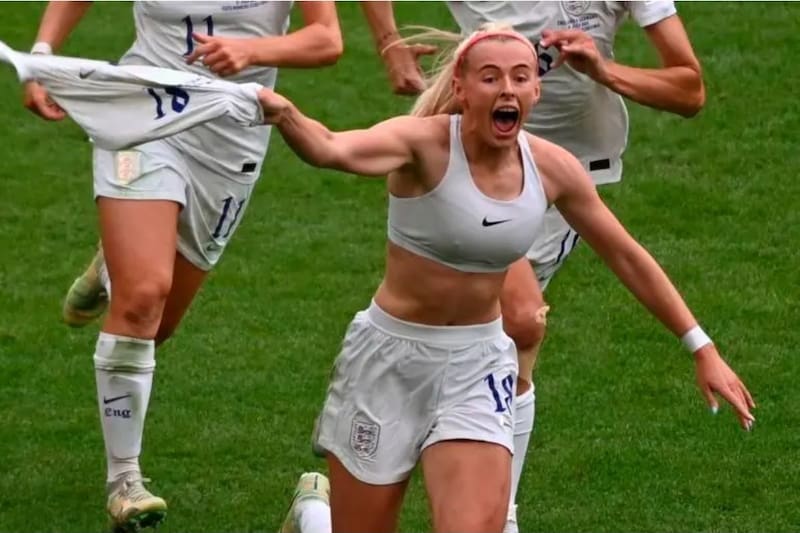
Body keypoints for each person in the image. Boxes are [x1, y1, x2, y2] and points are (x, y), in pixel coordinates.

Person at [258, 23, 754, 533]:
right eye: (491, 78)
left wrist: (701, 347)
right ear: (461, 89)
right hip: (390, 360)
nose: (507, 90)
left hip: (478, 363)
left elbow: (626, 255)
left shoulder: (552, 167)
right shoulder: (422, 146)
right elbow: (331, 148)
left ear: (536, 90)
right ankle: (315, 515)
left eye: (520, 77)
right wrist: (286, 114)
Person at [360, 2, 707, 530]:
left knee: (508, 340)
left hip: (566, 179)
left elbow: (689, 90)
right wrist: (389, 42)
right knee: (519, 321)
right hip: (469, 159)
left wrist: (602, 69)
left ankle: (334, 512)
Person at [21, 2, 341, 530]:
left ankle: (112, 268)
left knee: (156, 324)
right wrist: (42, 54)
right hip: (141, 110)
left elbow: (326, 39)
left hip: (231, 130)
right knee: (143, 295)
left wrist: (251, 50)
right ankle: (124, 481)